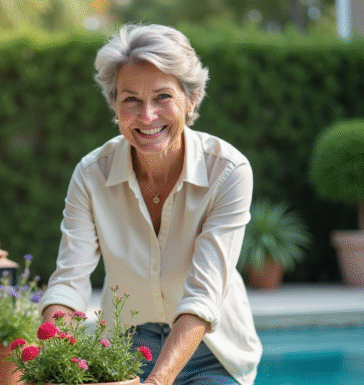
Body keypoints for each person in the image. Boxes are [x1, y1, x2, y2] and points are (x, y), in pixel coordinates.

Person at [37, 24, 262, 385]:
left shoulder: (228, 171)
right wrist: (55, 353)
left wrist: (157, 381)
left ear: (191, 100)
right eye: (130, 99)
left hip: (210, 351)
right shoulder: (91, 174)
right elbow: (69, 281)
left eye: (162, 97)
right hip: (124, 349)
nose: (147, 115)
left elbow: (203, 297)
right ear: (114, 104)